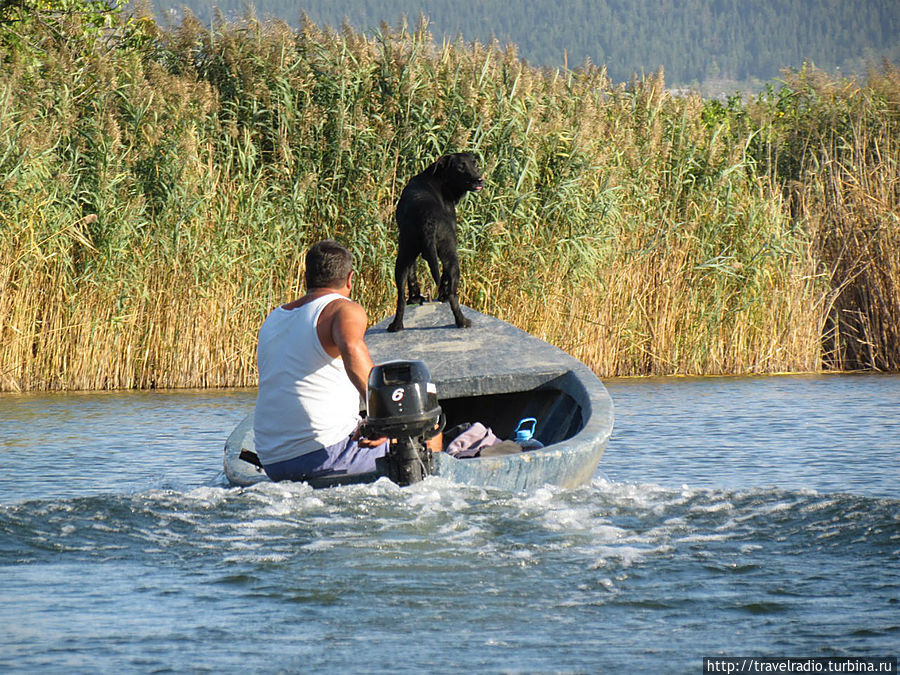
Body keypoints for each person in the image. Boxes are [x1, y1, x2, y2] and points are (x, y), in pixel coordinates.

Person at [253, 239, 389, 481]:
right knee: (425, 437)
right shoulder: (343, 309)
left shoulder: (273, 318)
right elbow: (351, 347)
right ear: (350, 279)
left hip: (273, 461)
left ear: (307, 276)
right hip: (324, 456)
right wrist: (385, 417)